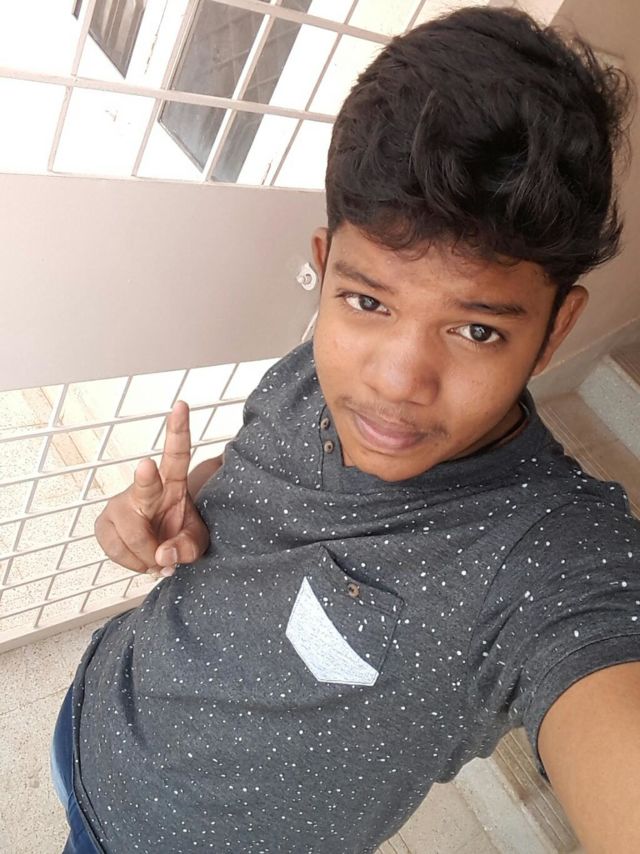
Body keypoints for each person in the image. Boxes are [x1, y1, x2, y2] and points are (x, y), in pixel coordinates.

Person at [50, 6, 640, 853]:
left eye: (476, 329)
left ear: (554, 330)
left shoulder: (547, 560)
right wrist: (189, 509)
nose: (395, 382)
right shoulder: (313, 371)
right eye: (368, 301)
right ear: (326, 270)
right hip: (93, 712)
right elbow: (260, 472)